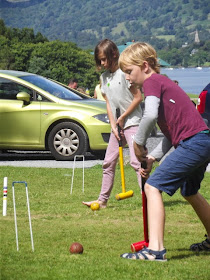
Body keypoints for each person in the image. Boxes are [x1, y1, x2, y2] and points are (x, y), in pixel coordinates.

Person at [118, 42, 210, 261]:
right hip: (202, 142)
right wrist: (152, 156)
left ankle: (155, 250)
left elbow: (148, 116)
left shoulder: (153, 82)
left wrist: (138, 144)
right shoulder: (163, 84)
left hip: (194, 143)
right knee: (189, 192)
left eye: (130, 72)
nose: (128, 78)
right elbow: (170, 134)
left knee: (152, 186)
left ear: (145, 66)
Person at [82, 39, 143, 208]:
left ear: (114, 54)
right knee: (108, 163)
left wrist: (123, 116)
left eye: (104, 59)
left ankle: (148, 198)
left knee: (136, 163)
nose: (102, 63)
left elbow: (138, 98)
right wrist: (113, 125)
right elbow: (108, 103)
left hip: (133, 122)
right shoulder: (104, 77)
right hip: (117, 125)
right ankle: (102, 201)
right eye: (99, 60)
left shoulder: (125, 73)